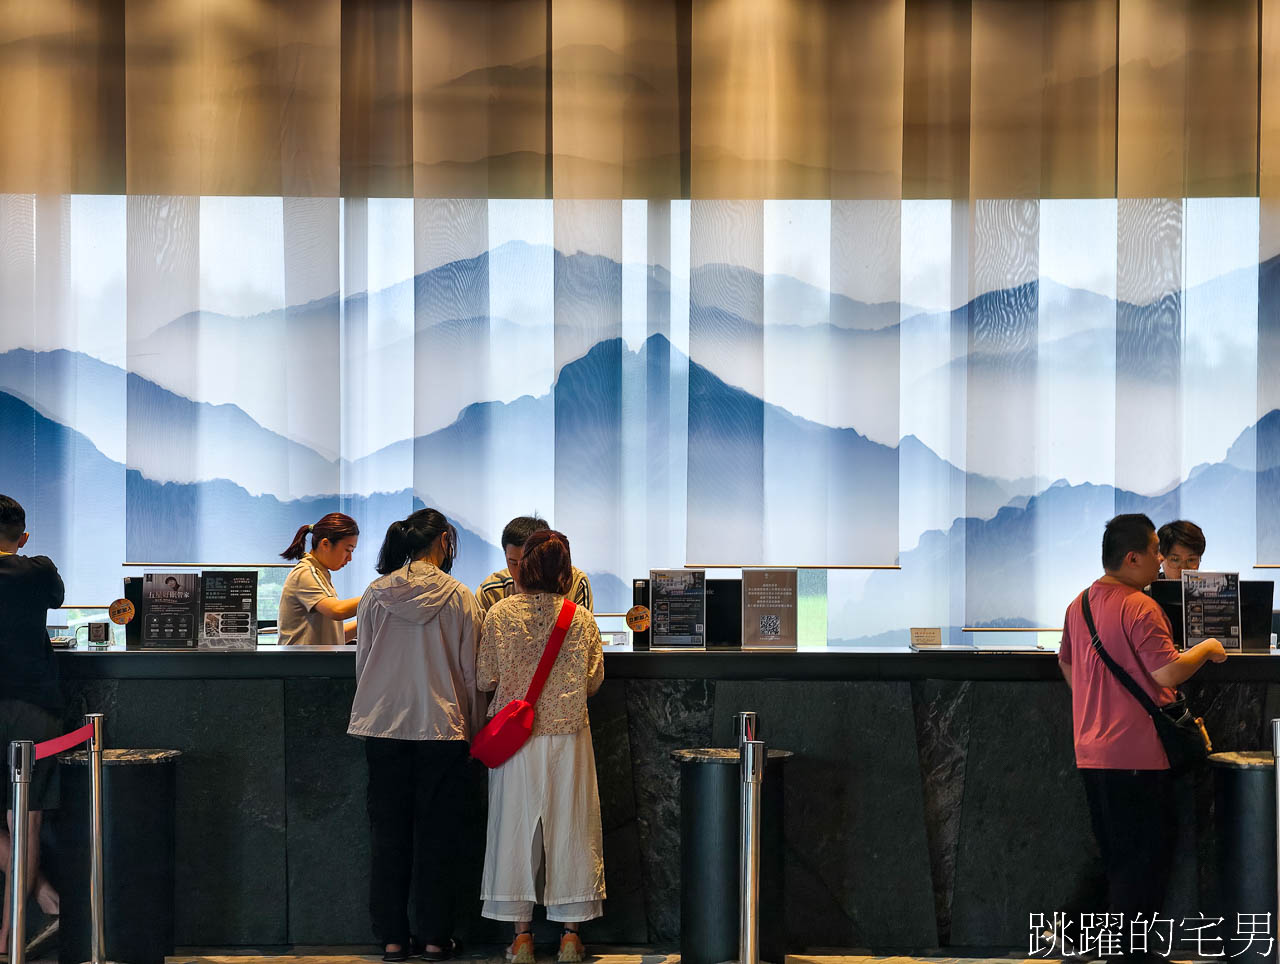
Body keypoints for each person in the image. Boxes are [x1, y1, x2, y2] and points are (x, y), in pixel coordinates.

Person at [1058, 513, 1226, 944]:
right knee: (1143, 863)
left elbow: (1067, 663)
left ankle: (1074, 941)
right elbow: (1168, 673)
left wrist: (1099, 702)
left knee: (1113, 856)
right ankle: (1132, 954)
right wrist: (1208, 647)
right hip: (1138, 754)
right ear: (1132, 558)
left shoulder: (1079, 604)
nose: (1160, 561)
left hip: (1091, 752)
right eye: (1156, 552)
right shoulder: (1140, 606)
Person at [347, 509, 483, 963]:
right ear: (444, 540)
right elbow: (471, 674)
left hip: (383, 726)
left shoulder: (375, 593)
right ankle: (434, 938)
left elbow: (363, 661)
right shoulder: (461, 597)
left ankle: (391, 939)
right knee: (438, 836)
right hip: (442, 730)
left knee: (388, 835)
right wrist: (475, 729)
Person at [477, 529, 605, 964]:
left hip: (516, 740)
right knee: (572, 828)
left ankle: (522, 938)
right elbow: (593, 681)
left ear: (524, 566)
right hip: (568, 735)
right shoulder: (581, 619)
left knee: (516, 832)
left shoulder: (498, 615)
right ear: (565, 571)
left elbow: (485, 679)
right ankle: (570, 936)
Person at [0, 495, 64, 952]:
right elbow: (56, 597)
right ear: (22, 536)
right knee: (27, 822)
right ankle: (11, 936)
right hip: (34, 709)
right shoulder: (39, 569)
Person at [477, 516, 593, 615]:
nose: (521, 571)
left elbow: (585, 635)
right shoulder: (491, 590)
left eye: (527, 563)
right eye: (513, 563)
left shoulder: (575, 582)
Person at [278, 513, 360, 645]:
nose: (349, 558)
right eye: (347, 550)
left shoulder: (321, 574)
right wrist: (376, 596)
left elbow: (336, 636)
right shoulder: (306, 573)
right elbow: (337, 610)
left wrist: (371, 619)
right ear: (325, 544)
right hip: (300, 665)